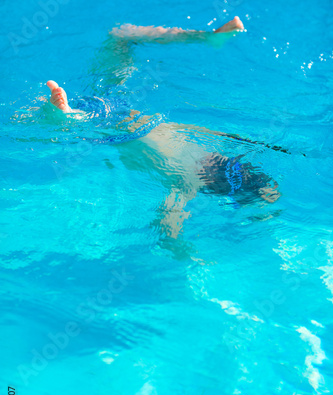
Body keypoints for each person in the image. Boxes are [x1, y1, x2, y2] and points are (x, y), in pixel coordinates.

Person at [45, 17, 280, 241]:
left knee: (120, 36)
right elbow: (167, 222)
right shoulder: (188, 184)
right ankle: (69, 116)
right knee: (117, 45)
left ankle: (208, 38)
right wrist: (181, 249)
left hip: (124, 116)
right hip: (114, 131)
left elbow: (246, 142)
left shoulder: (211, 144)